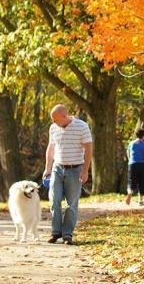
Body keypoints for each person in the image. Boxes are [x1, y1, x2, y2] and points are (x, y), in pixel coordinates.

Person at [42, 104, 92, 245]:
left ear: (64, 116)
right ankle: (55, 232)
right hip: (57, 168)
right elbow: (51, 148)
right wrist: (48, 168)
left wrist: (85, 170)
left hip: (75, 169)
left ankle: (67, 234)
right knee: (54, 200)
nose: (54, 123)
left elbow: (88, 149)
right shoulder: (54, 128)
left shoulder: (82, 126)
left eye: (55, 119)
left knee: (71, 204)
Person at [125, 128, 144, 206]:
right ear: (143, 136)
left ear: (136, 135)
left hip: (132, 164)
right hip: (143, 165)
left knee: (131, 181)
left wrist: (130, 161)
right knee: (142, 182)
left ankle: (130, 193)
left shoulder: (131, 143)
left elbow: (128, 152)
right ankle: (141, 201)